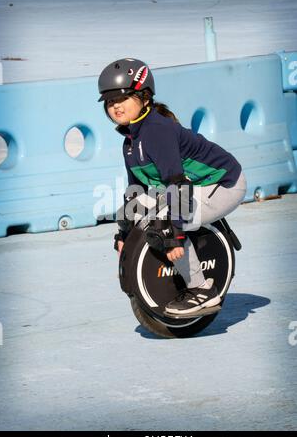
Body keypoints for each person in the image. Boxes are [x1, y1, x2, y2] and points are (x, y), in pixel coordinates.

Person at [98, 58, 247, 317]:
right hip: (192, 187)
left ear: (144, 98)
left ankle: (202, 291)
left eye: (122, 99)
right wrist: (125, 235)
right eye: (110, 102)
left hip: (223, 185)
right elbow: (137, 189)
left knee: (164, 223)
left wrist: (174, 233)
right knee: (128, 211)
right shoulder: (131, 141)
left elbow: (178, 185)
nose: (116, 106)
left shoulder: (157, 131)